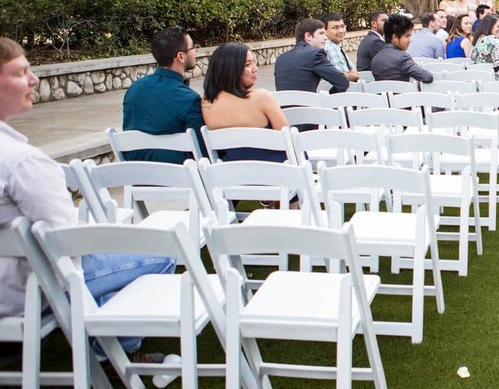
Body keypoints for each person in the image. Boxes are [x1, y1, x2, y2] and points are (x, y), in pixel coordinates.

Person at [0, 37, 175, 360]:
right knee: (161, 253)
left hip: (16, 282)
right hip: (28, 291)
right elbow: (70, 246)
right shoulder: (22, 162)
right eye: (21, 71)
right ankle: (116, 353)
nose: (34, 79)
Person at [121, 26, 205, 162]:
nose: (195, 51)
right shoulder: (189, 99)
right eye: (192, 47)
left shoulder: (134, 90)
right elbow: (201, 152)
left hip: (137, 175)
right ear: (181, 56)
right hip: (179, 178)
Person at [202, 43, 290, 162]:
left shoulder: (207, 102)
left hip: (231, 172)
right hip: (274, 170)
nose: (255, 68)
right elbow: (288, 140)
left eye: (254, 62)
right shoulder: (261, 97)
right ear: (230, 69)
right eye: (248, 64)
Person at [275, 18, 350, 94]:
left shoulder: (280, 58)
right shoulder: (315, 54)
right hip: (310, 104)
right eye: (321, 33)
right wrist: (328, 97)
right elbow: (342, 82)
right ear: (308, 36)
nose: (325, 37)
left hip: (282, 105)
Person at [372, 14, 435, 83]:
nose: (410, 40)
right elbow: (428, 77)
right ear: (395, 38)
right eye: (407, 36)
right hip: (404, 93)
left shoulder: (375, 59)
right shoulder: (402, 58)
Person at [320, 13, 359, 85]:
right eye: (335, 28)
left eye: (342, 26)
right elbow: (343, 78)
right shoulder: (330, 48)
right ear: (324, 31)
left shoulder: (336, 45)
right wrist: (354, 76)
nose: (341, 31)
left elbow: (353, 71)